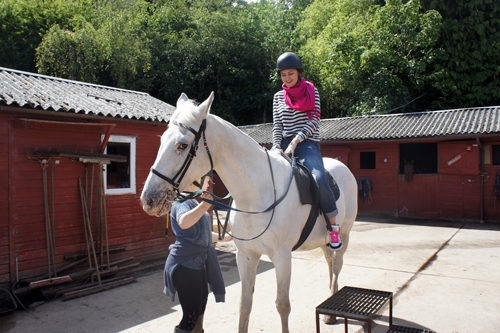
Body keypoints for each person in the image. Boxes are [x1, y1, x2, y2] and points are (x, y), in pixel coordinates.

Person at [271, 51, 342, 250]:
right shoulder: (277, 97)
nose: (287, 78)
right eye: (283, 75)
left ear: (299, 72)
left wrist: (296, 141)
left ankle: (333, 227)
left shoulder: (311, 91)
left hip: (307, 144)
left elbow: (314, 120)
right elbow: (277, 125)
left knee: (319, 179)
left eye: (290, 73)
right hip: (284, 144)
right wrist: (276, 146)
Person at [164, 175, 233, 333]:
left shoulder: (193, 202)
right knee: (191, 314)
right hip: (185, 265)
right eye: (207, 179)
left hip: (198, 263)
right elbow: (184, 222)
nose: (209, 183)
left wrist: (227, 237)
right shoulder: (180, 203)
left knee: (200, 309)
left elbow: (204, 233)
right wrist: (204, 206)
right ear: (195, 180)